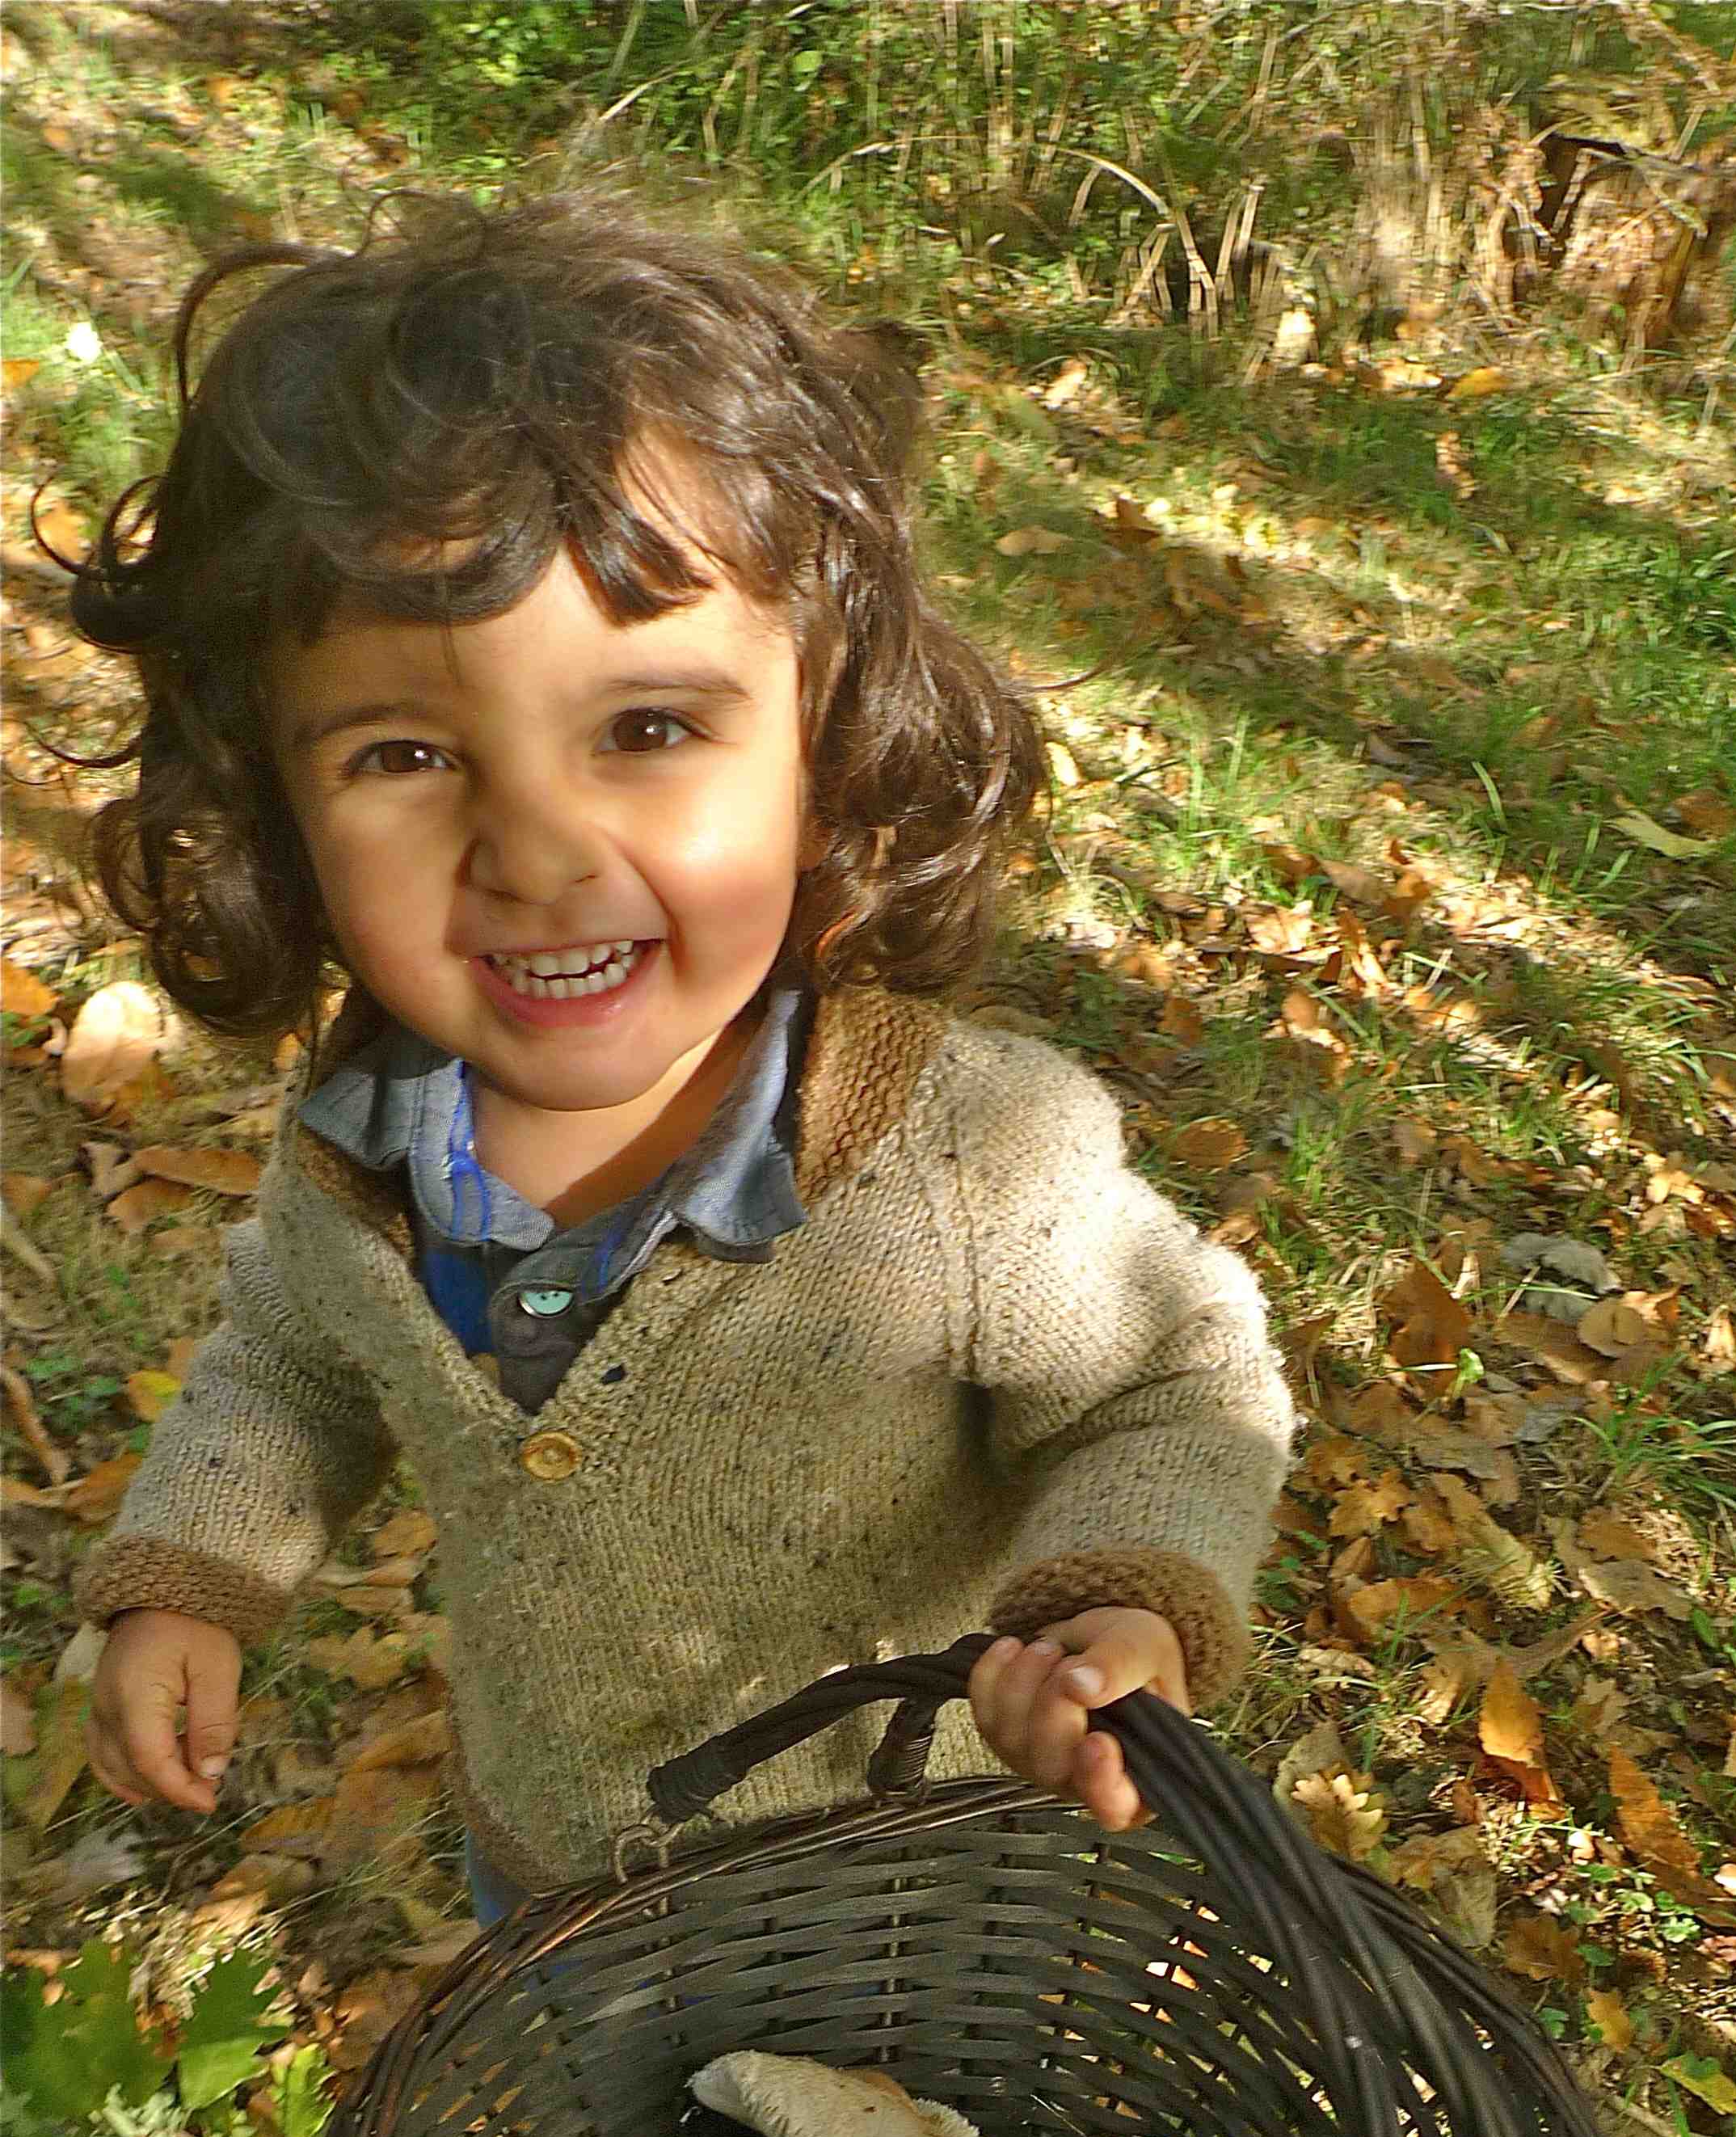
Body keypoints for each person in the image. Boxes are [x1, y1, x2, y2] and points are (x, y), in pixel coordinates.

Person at [73, 184, 1295, 1924]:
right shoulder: (360, 1146)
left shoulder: (967, 1157)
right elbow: (294, 1361)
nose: (536, 852)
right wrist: (191, 1579)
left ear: (826, 740)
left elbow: (1169, 1382)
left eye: (648, 726)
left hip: (916, 1889)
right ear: (273, 799)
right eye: (403, 756)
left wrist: (1125, 1600)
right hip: (555, 1870)